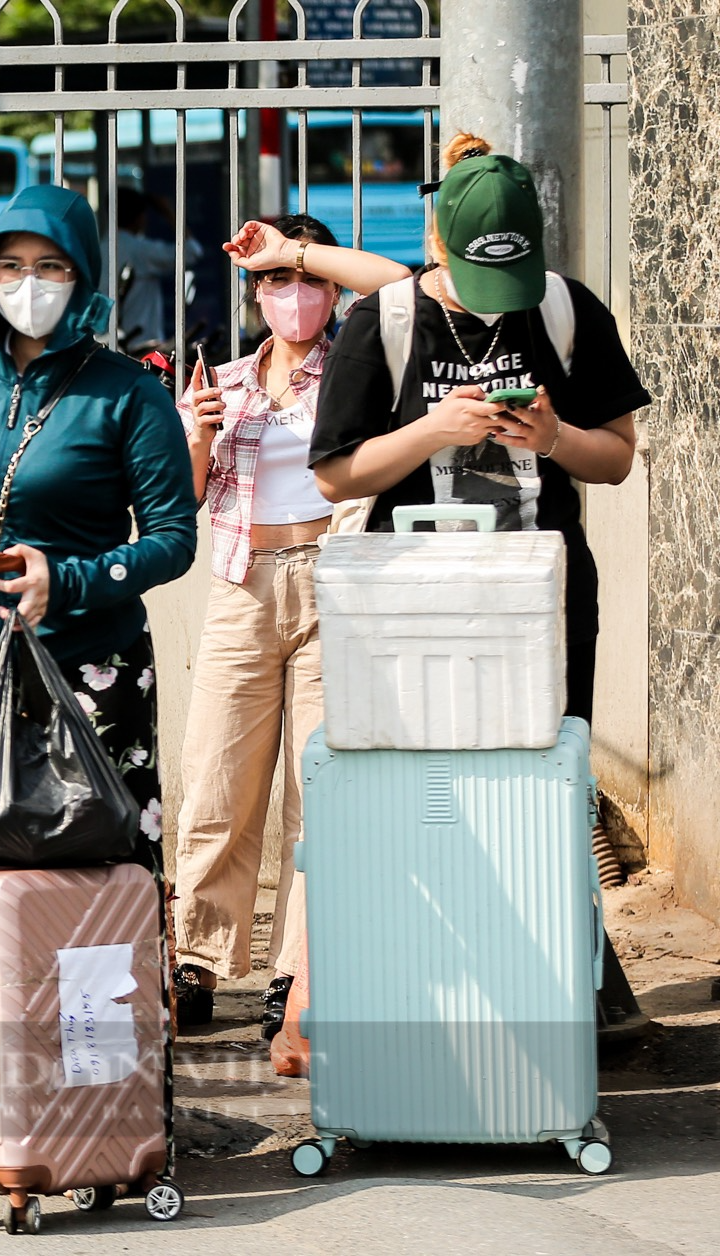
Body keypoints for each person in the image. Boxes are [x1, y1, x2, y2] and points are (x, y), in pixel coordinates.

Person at [0, 183, 198, 858]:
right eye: (11, 266)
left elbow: (173, 542)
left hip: (93, 671)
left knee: (95, 870)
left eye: (51, 265)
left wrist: (70, 580)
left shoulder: (130, 392)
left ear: (81, 275)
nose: (30, 283)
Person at [310, 133, 651, 726]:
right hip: (413, 598)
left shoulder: (568, 309)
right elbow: (336, 480)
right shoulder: (383, 322)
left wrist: (553, 438)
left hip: (546, 589)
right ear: (440, 244)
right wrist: (434, 430)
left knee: (541, 773)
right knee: (428, 779)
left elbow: (617, 459)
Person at [171, 215, 410, 1032]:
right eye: (276, 282)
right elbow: (189, 496)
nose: (293, 296)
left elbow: (404, 286)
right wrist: (195, 434)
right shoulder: (227, 379)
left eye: (306, 281)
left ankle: (297, 969)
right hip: (241, 584)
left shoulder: (359, 365)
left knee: (318, 788)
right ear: (255, 294)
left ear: (331, 286)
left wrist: (297, 250)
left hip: (330, 581)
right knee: (216, 778)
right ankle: (196, 961)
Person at [114, 191, 204, 353]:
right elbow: (193, 251)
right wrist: (169, 213)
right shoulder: (140, 250)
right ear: (140, 217)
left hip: (110, 343)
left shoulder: (101, 248)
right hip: (141, 346)